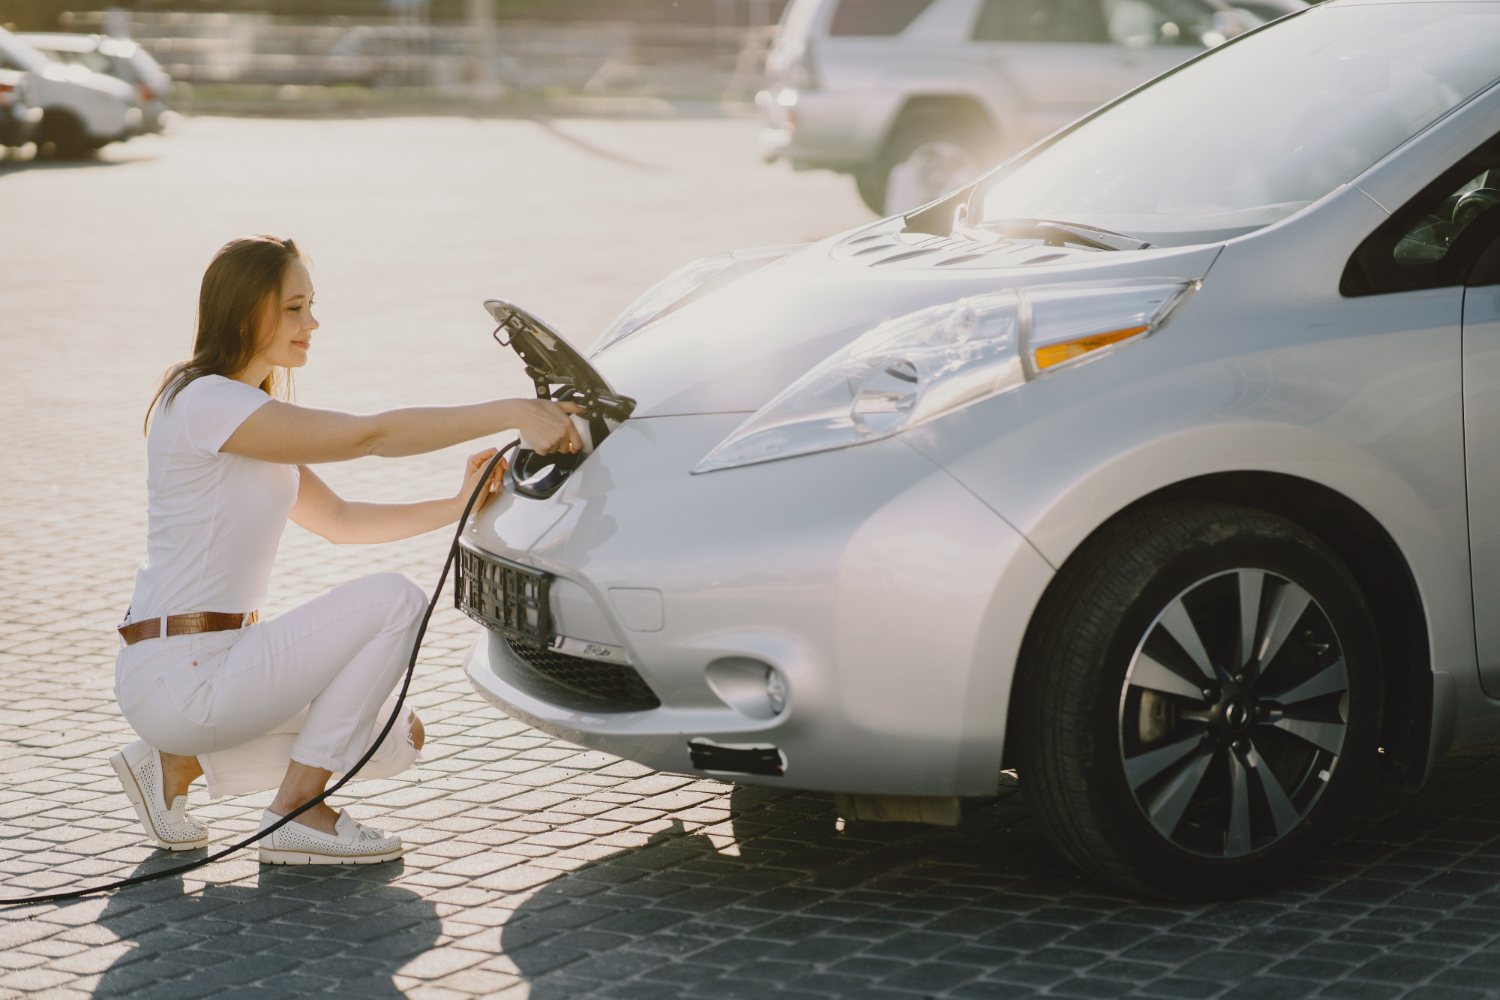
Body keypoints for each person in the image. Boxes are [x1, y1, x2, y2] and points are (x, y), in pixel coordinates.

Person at [109, 235, 582, 865]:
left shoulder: (243, 414)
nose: (313, 323)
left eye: (311, 306)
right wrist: (515, 411)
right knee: (396, 601)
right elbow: (372, 437)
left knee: (395, 739)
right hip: (184, 670)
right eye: (295, 308)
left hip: (204, 667)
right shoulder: (208, 402)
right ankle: (298, 812)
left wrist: (458, 503)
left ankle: (174, 763)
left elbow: (339, 520)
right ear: (247, 311)